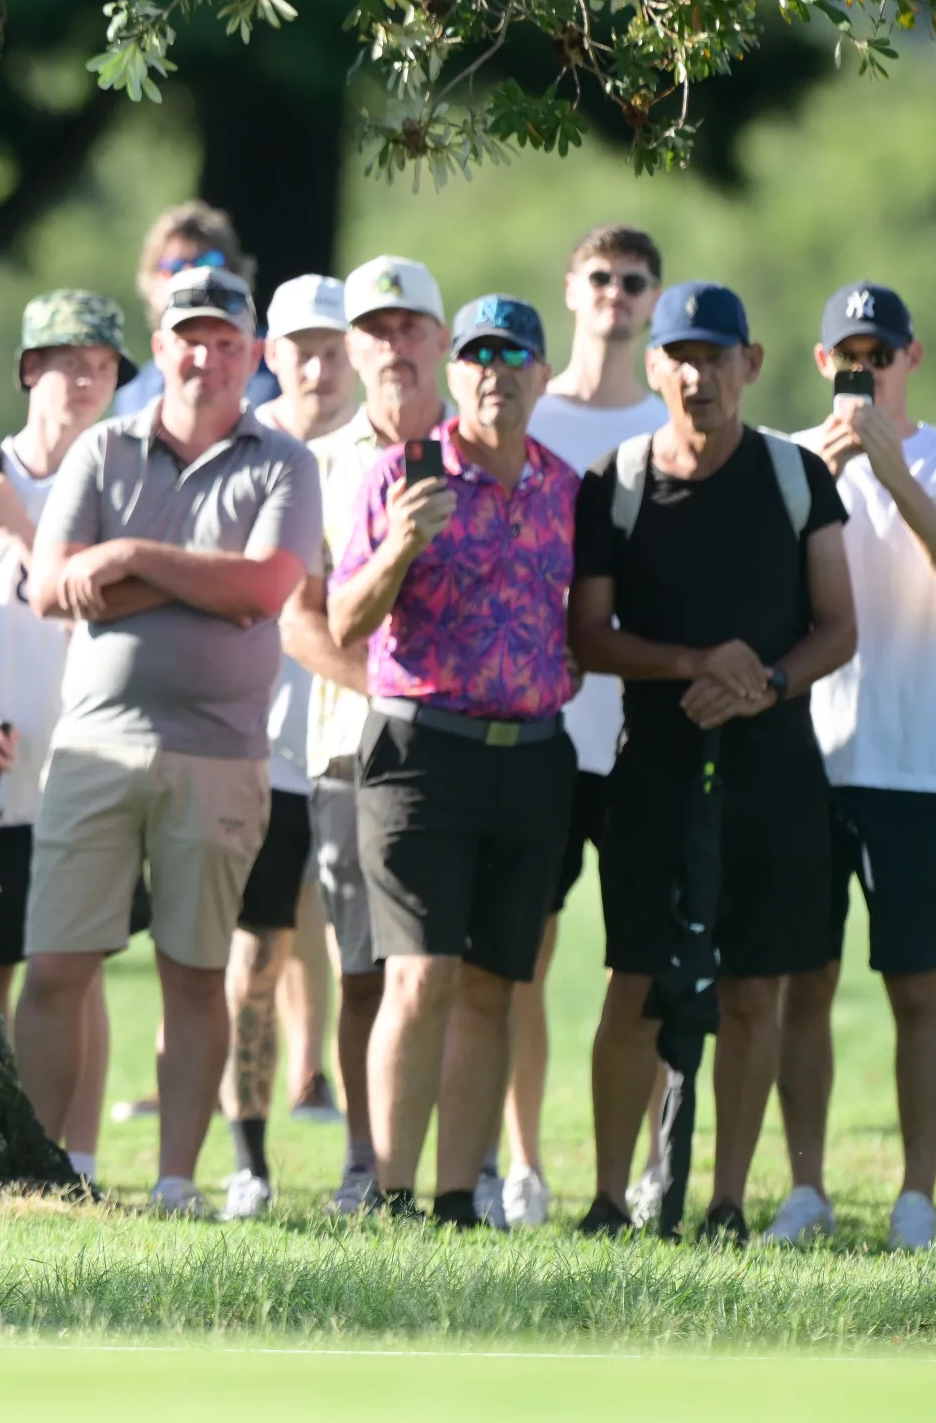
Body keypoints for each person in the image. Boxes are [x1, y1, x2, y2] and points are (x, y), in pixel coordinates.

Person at [18, 265, 316, 1218]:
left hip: (222, 753)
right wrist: (204, 581)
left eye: (228, 341)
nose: (208, 357)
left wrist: (133, 559)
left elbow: (265, 590)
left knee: (196, 972)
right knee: (60, 963)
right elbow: (49, 585)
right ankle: (37, 1172)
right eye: (191, 338)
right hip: (96, 745)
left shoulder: (283, 461)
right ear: (162, 349)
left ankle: (178, 1179)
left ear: (254, 356)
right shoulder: (104, 449)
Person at [569, 281, 855, 1242]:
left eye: (716, 356)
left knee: (756, 984)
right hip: (652, 764)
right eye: (679, 357)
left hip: (774, 765)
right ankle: (611, 1197)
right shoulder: (614, 480)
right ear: (655, 368)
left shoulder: (796, 476)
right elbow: (588, 635)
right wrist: (697, 664)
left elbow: (838, 627)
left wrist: (762, 682)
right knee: (636, 978)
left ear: (752, 364)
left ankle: (728, 1202)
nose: (698, 376)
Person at [327, 294, 579, 1225]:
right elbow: (346, 621)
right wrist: (400, 543)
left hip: (534, 758)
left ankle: (455, 1199)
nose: (493, 372)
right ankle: (391, 1193)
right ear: (452, 373)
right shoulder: (401, 475)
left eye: (515, 356)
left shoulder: (565, 488)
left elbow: (586, 622)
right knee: (421, 973)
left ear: (542, 375)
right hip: (420, 750)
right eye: (476, 355)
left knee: (494, 983)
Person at [776, 283, 936, 1251]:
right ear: (822, 361)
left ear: (910, 358)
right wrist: (815, 484)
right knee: (802, 978)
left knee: (913, 979)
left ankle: (915, 1196)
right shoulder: (785, 461)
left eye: (880, 352)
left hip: (915, 760)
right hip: (806, 758)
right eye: (846, 355)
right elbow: (754, 593)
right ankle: (803, 1189)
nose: (861, 371)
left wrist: (892, 473)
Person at [279, 254, 448, 1214]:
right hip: (355, 748)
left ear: (438, 338)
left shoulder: (480, 449)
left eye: (408, 327)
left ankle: (466, 1162)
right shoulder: (320, 465)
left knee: (458, 970)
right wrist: (394, 695)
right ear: (355, 347)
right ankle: (364, 1160)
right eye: (374, 331)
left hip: (469, 748)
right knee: (364, 971)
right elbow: (301, 619)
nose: (392, 346)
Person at [510, 224, 671, 1230]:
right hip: (538, 735)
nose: (614, 293)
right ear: (570, 288)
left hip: (643, 735)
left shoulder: (672, 422)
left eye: (633, 282)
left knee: (641, 960)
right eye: (599, 277)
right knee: (521, 952)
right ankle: (522, 1163)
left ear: (652, 301)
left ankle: (647, 1163)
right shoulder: (531, 415)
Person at [0, 289, 130, 1184]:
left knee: (77, 967)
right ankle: (3, 1141)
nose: (86, 380)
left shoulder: (116, 485)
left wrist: (18, 523)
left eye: (102, 366)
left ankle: (82, 1156)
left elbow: (89, 602)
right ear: (30, 369)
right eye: (69, 361)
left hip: (83, 758)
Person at [219, 273, 356, 1219]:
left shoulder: (380, 450)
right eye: (299, 345)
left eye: (332, 345)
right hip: (258, 747)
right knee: (254, 959)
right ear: (270, 353)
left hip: (355, 745)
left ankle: (365, 1158)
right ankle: (250, 1161)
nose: (316, 361)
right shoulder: (240, 449)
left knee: (365, 964)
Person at [113, 201, 277, 417]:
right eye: (174, 267)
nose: (191, 277)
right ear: (150, 284)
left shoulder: (280, 366)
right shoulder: (133, 392)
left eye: (207, 262)